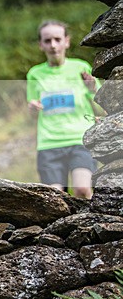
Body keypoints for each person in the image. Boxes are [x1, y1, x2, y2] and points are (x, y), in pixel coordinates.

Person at [26, 20, 98, 199]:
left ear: (67, 41)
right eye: (47, 40)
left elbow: (101, 108)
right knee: (55, 198)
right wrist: (33, 108)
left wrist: (93, 89)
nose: (53, 45)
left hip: (80, 140)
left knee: (82, 189)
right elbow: (32, 113)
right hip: (49, 144)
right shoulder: (35, 74)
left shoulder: (81, 68)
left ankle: (87, 226)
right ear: (41, 45)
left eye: (57, 39)